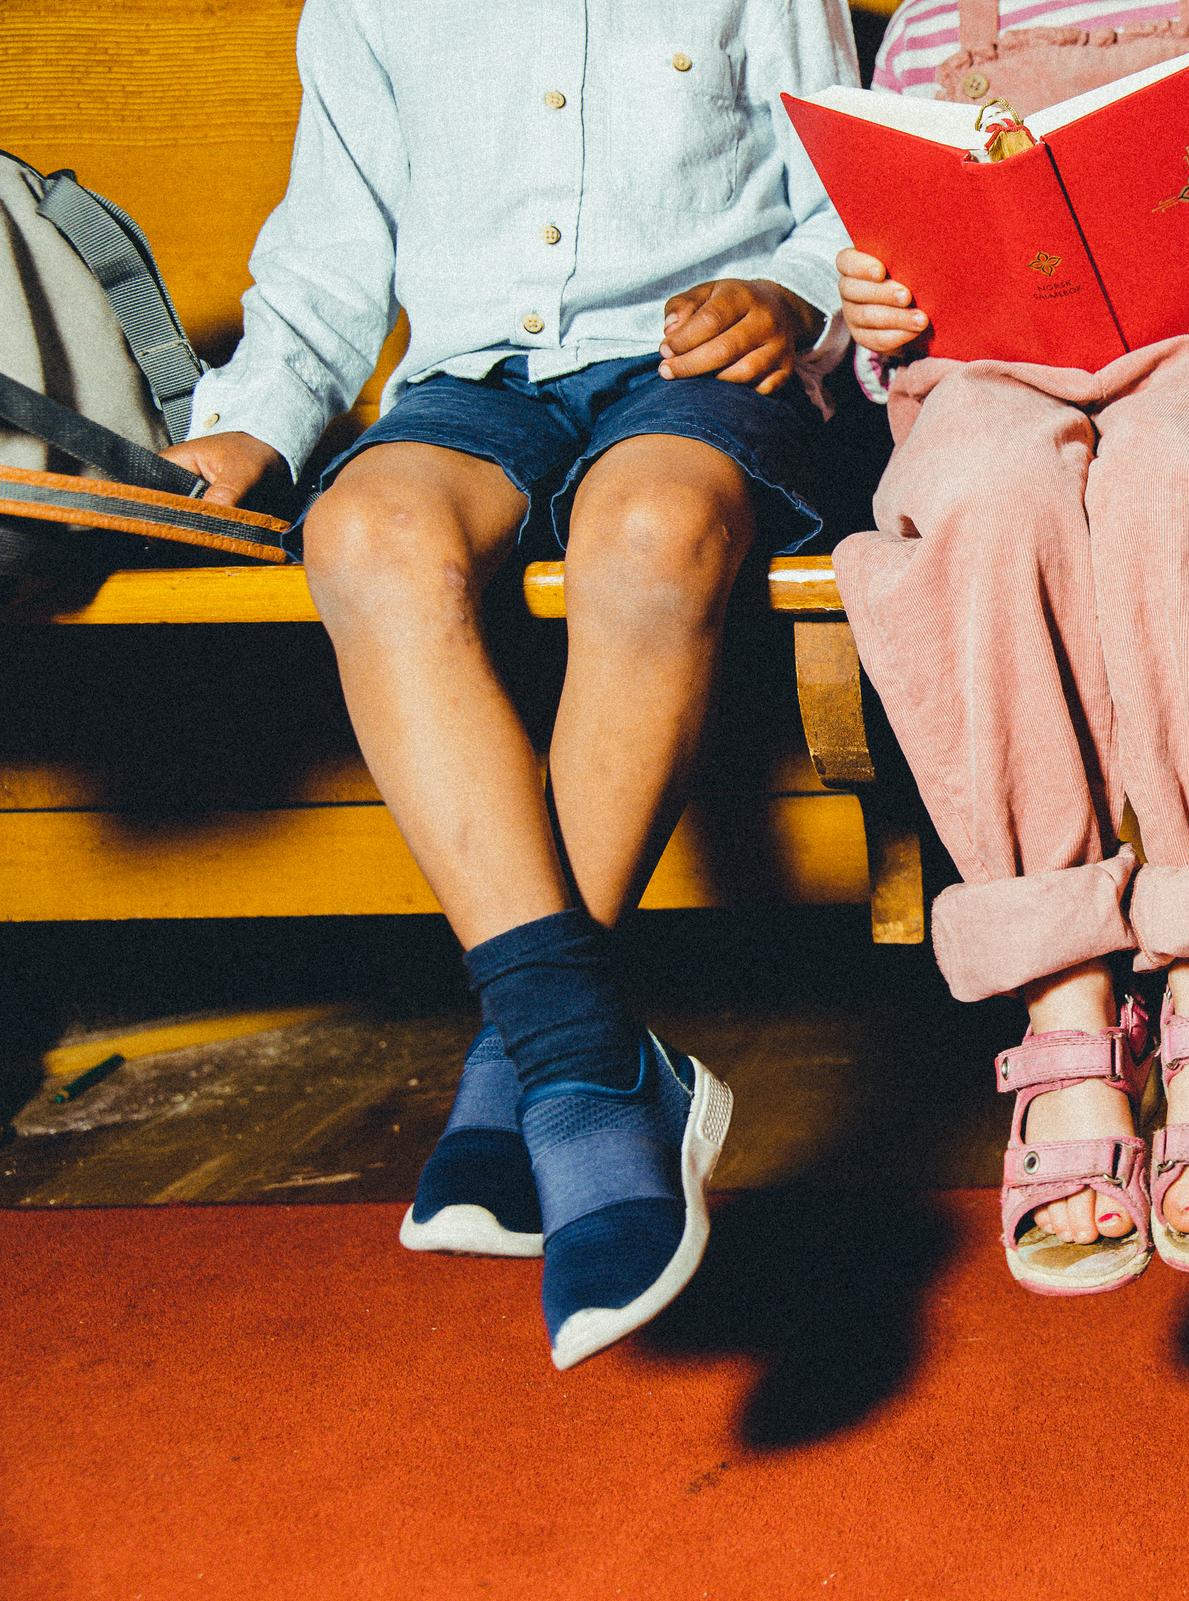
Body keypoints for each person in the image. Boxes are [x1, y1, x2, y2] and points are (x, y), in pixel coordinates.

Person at [162, 0, 859, 1370]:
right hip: (476, 386)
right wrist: (243, 431)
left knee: (647, 534)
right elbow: (323, 263)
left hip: (691, 383)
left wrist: (797, 304)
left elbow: (840, 206)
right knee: (360, 534)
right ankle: (586, 1059)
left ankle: (543, 1059)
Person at [831, 0, 1189, 1292]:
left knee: (1164, 482)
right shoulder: (926, 31)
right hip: (988, 378)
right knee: (982, 492)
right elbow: (881, 295)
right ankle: (1062, 987)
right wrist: (878, 315)